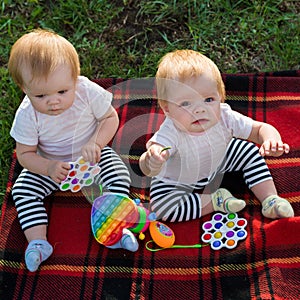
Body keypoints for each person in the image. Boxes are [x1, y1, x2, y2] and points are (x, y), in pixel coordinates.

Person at [8, 29, 138, 272]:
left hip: (89, 156)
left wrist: (97, 143)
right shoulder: (27, 115)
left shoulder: (86, 92)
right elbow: (24, 155)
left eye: (62, 91)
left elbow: (109, 118)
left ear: (75, 78)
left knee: (117, 173)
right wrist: (47, 167)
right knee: (23, 190)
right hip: (50, 165)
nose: (53, 101)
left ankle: (114, 227)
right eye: (41, 95)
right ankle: (37, 242)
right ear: (23, 88)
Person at [139, 49, 294, 223]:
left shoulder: (224, 116)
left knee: (249, 151)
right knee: (162, 209)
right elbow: (148, 166)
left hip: (218, 160)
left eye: (208, 100)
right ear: (167, 109)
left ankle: (270, 200)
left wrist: (271, 140)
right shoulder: (171, 131)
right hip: (179, 179)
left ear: (220, 97)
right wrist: (151, 160)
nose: (199, 109)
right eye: (185, 103)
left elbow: (259, 130)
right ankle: (214, 201)